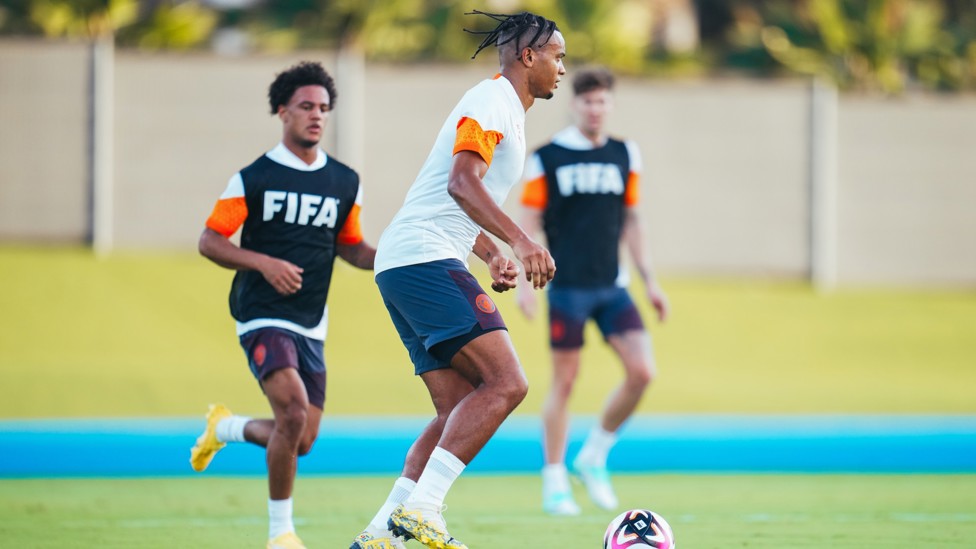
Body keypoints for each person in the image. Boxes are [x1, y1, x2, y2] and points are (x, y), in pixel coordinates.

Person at [350, 10, 565, 549]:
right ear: (528, 56)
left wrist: (490, 251)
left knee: (456, 407)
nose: (563, 68)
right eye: (558, 56)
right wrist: (522, 241)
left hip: (409, 259)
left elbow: (456, 202)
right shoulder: (491, 102)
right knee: (507, 383)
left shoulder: (507, 110)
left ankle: (383, 532)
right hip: (424, 258)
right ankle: (423, 512)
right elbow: (461, 183)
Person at [189, 61, 376, 549]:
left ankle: (226, 427)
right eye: (306, 107)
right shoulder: (254, 177)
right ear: (282, 111)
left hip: (313, 321)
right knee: (292, 415)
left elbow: (351, 246)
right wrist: (264, 263)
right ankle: (281, 535)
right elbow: (211, 241)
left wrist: (401, 259)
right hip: (261, 314)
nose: (316, 116)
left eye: (324, 109)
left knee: (303, 438)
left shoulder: (344, 182)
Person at [516, 66, 670, 516]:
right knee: (565, 382)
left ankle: (594, 455)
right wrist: (527, 283)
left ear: (611, 105)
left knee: (642, 371)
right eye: (587, 101)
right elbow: (529, 221)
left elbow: (633, 220)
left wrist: (651, 281)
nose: (595, 109)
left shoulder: (626, 153)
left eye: (603, 101)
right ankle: (554, 479)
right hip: (567, 287)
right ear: (574, 105)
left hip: (613, 286)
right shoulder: (547, 157)